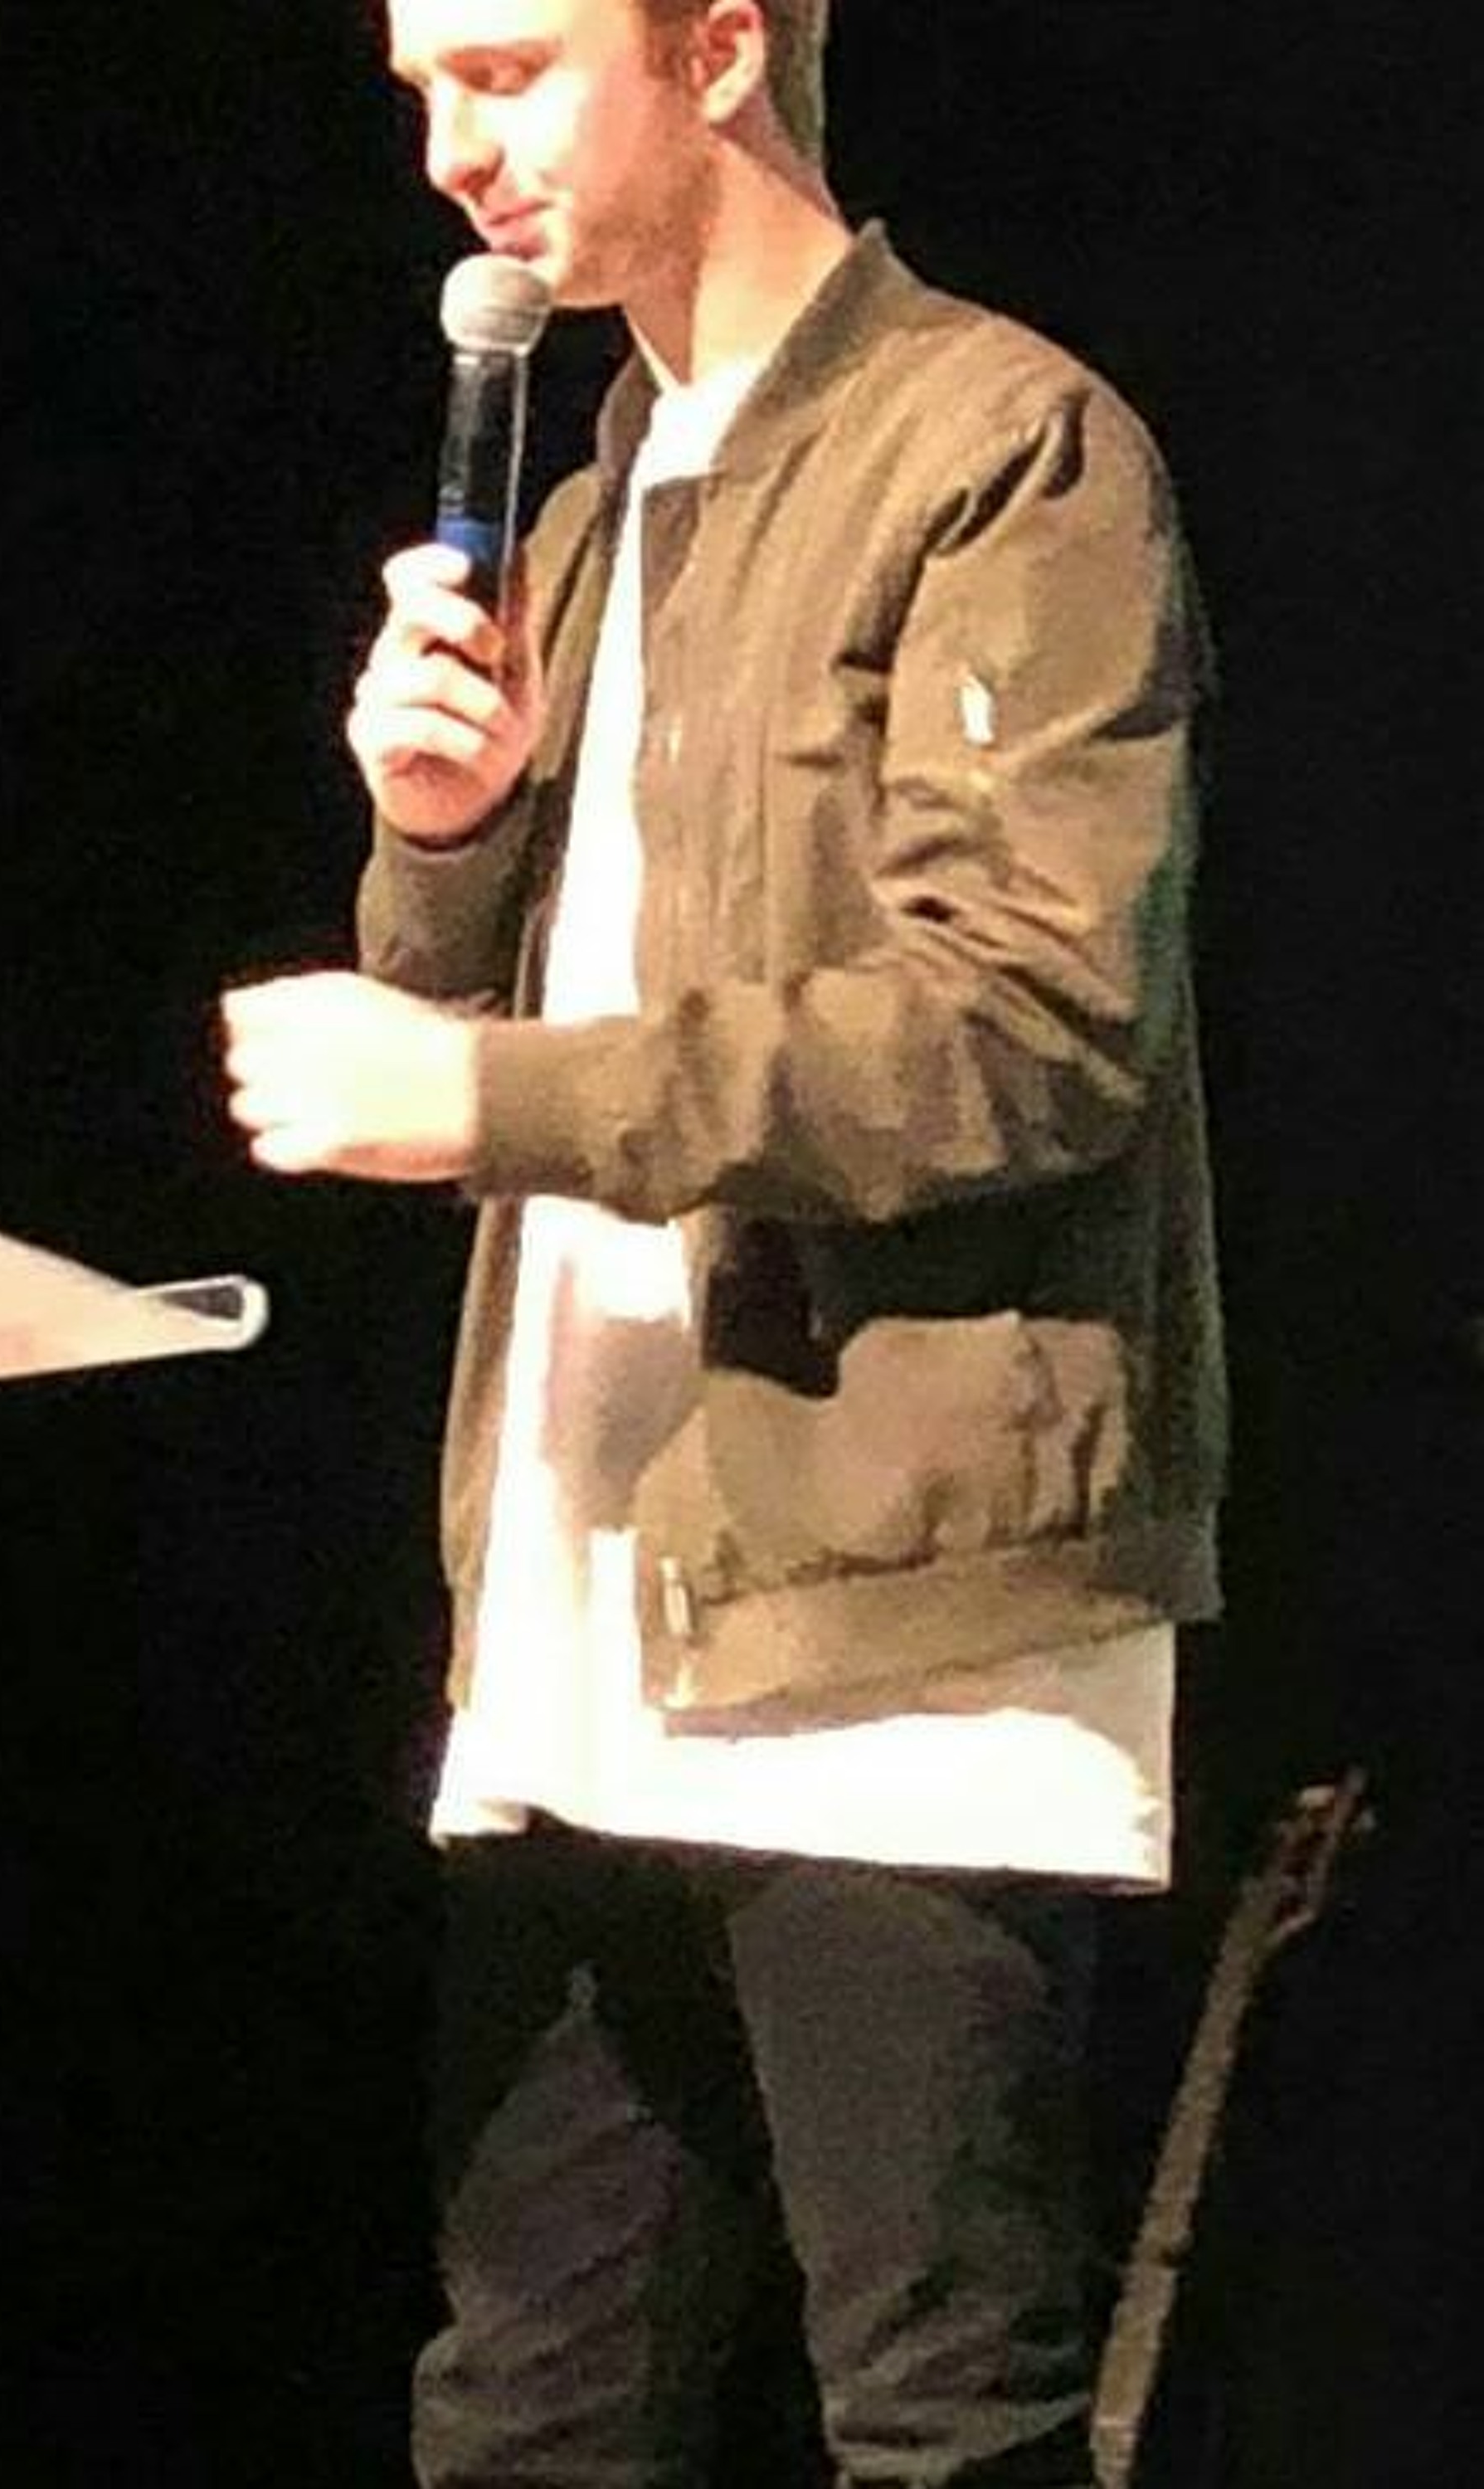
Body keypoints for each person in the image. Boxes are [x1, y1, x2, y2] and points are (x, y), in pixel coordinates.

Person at [219, 2, 1224, 2483]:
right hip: (594, 1591)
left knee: (938, 2418)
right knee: (528, 2414)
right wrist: (441, 833)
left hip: (900, 1585)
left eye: (508, 73)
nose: (454, 156)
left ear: (723, 50)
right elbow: (505, 1016)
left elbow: (1033, 1027)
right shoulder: (589, 501)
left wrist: (484, 1097)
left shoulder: (999, 443)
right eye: (423, 96)